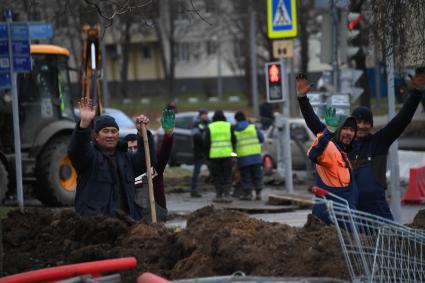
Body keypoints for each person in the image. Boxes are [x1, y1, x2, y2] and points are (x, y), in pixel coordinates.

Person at [296, 71, 425, 220]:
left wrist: (416, 94)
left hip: (377, 212)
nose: (362, 126)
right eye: (358, 123)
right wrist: (302, 99)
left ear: (371, 126)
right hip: (351, 213)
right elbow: (315, 126)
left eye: (366, 123)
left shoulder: (378, 142)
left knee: (389, 241)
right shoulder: (339, 145)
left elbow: (402, 120)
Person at [68, 97, 156, 220]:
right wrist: (84, 125)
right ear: (96, 136)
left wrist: (143, 135)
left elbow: (147, 161)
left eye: (114, 131)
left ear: (118, 135)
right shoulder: (90, 157)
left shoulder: (127, 157)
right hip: (97, 223)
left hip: (127, 221)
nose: (110, 135)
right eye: (105, 131)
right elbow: (76, 150)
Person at [307, 107, 358, 223]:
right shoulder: (330, 147)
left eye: (352, 130)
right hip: (329, 218)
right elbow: (313, 154)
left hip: (345, 218)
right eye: (345, 128)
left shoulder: (345, 155)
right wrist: (328, 132)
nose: (349, 133)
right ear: (338, 130)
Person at [134, 109, 175, 222]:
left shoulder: (155, 167)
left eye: (135, 147)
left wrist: (168, 134)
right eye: (130, 148)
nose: (133, 150)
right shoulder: (129, 170)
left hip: (158, 212)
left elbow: (165, 152)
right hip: (137, 216)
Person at [233, 111, 264, 200]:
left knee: (246, 176)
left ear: (236, 119)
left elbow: (233, 142)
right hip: (256, 157)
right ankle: (258, 193)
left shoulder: (235, 129)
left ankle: (248, 194)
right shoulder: (253, 127)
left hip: (243, 157)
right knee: (257, 175)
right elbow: (262, 138)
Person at [205, 110, 235, 203]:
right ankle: (227, 195)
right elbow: (234, 141)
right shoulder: (229, 126)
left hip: (214, 155)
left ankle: (219, 195)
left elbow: (206, 143)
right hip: (227, 154)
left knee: (217, 175)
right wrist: (234, 154)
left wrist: (207, 157)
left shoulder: (210, 127)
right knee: (227, 175)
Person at [190, 108, 210, 198]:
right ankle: (193, 190)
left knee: (214, 169)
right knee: (196, 171)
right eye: (204, 114)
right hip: (199, 151)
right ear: (200, 115)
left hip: (209, 151)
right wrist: (206, 141)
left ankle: (218, 189)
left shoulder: (209, 123)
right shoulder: (196, 124)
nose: (206, 116)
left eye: (206, 114)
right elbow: (196, 136)